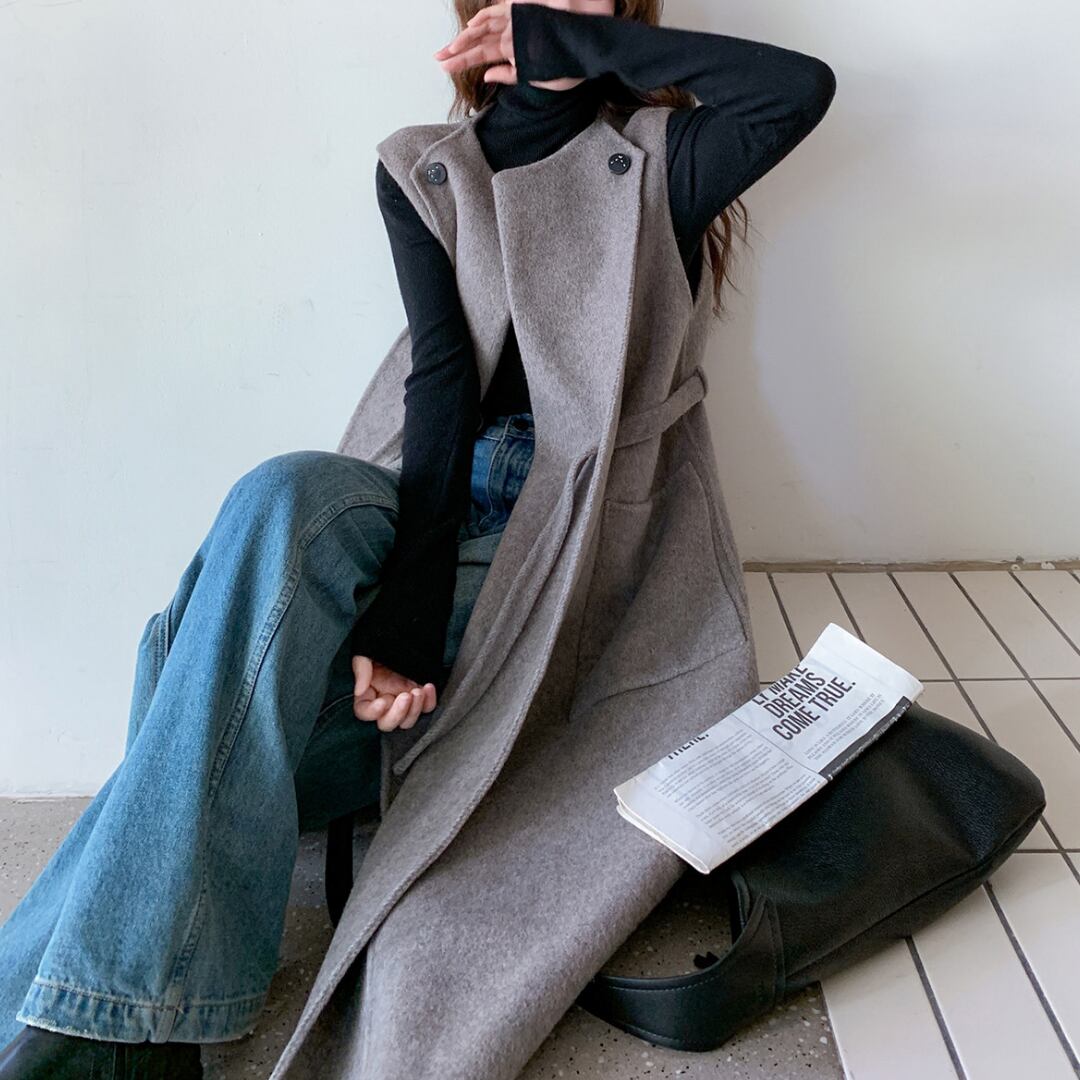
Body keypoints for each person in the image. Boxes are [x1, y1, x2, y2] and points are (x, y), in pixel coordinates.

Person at [0, 1, 835, 1076]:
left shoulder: (665, 159)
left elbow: (797, 89)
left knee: (206, 726)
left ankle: (98, 1034)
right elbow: (440, 386)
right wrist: (399, 618)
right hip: (429, 501)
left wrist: (578, 48)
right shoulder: (426, 165)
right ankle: (124, 1015)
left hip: (569, 539)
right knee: (279, 497)